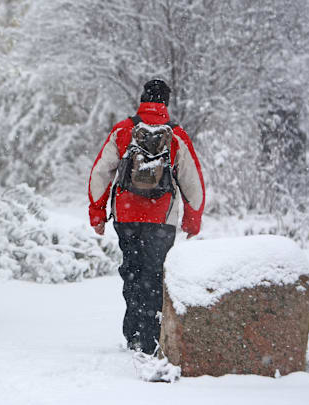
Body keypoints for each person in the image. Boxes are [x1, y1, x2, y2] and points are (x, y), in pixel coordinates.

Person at [87, 79, 205, 354]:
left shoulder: (124, 130)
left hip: (126, 216)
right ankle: (152, 335)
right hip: (161, 219)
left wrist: (97, 213)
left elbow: (100, 173)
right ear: (166, 103)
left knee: (132, 272)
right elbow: (193, 182)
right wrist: (192, 219)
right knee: (155, 275)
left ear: (142, 99)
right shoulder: (176, 135)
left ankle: (134, 334)